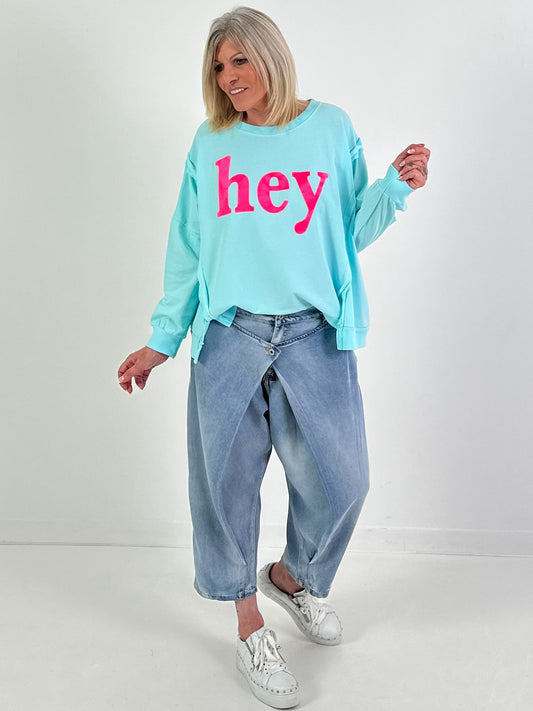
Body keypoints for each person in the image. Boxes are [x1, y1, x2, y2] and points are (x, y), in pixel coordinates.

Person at [118, 6, 430, 708]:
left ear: (270, 56)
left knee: (344, 481)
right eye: (218, 66)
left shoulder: (330, 128)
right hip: (229, 335)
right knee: (224, 490)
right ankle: (248, 624)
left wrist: (394, 190)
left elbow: (346, 231)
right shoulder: (210, 144)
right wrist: (162, 338)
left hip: (313, 334)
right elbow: (189, 249)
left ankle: (292, 577)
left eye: (239, 60)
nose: (228, 76)